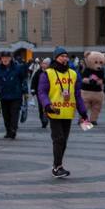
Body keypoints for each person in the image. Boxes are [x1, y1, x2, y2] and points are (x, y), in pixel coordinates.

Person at [36, 47, 89, 177]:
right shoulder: (47, 73)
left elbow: (77, 95)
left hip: (68, 111)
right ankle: (57, 167)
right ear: (56, 57)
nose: (64, 58)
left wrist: (83, 112)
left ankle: (58, 165)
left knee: (63, 140)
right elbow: (41, 92)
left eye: (66, 56)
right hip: (54, 111)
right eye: (61, 56)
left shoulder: (73, 73)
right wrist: (47, 105)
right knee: (58, 138)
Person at [0, 49, 27, 139]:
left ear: (11, 58)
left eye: (7, 57)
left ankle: (13, 130)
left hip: (16, 95)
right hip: (3, 95)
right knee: (6, 115)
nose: (5, 59)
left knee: (14, 114)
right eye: (3, 57)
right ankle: (8, 130)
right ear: (1, 59)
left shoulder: (18, 68)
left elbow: (23, 80)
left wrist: (25, 91)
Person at [79, 51, 105, 126]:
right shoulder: (86, 70)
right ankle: (83, 119)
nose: (98, 65)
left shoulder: (101, 71)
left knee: (96, 108)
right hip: (87, 91)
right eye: (96, 62)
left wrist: (98, 82)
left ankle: (93, 120)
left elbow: (102, 80)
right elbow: (83, 79)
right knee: (85, 107)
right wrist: (89, 81)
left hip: (95, 92)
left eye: (100, 63)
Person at [30, 58, 51, 129]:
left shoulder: (52, 72)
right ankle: (43, 120)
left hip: (50, 93)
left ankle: (47, 118)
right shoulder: (38, 72)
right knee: (41, 108)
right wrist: (33, 89)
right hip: (40, 93)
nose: (43, 65)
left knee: (48, 106)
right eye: (43, 63)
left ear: (49, 65)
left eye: (45, 63)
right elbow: (33, 81)